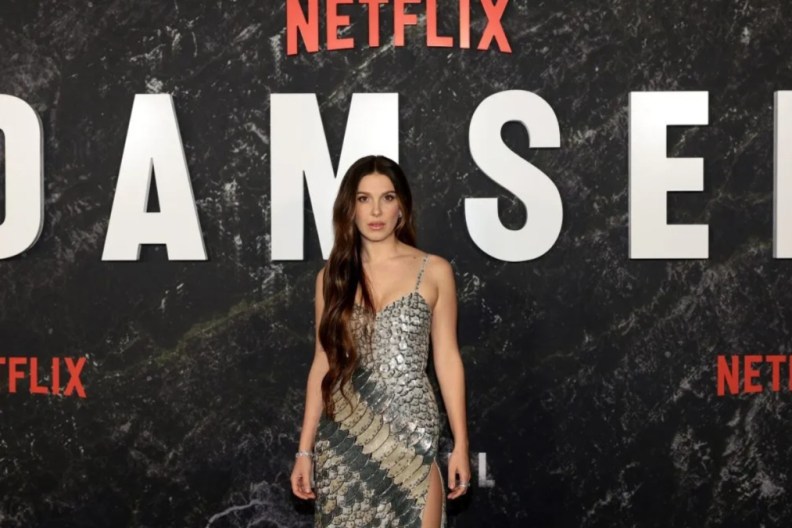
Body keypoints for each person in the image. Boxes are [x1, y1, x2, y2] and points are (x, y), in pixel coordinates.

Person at [290, 155, 471, 527]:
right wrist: (305, 450)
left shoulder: (434, 270)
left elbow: (448, 360)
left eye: (387, 198)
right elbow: (322, 362)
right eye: (363, 199)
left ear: (401, 207)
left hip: (412, 437)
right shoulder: (331, 278)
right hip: (344, 440)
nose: (376, 210)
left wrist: (461, 443)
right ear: (349, 209)